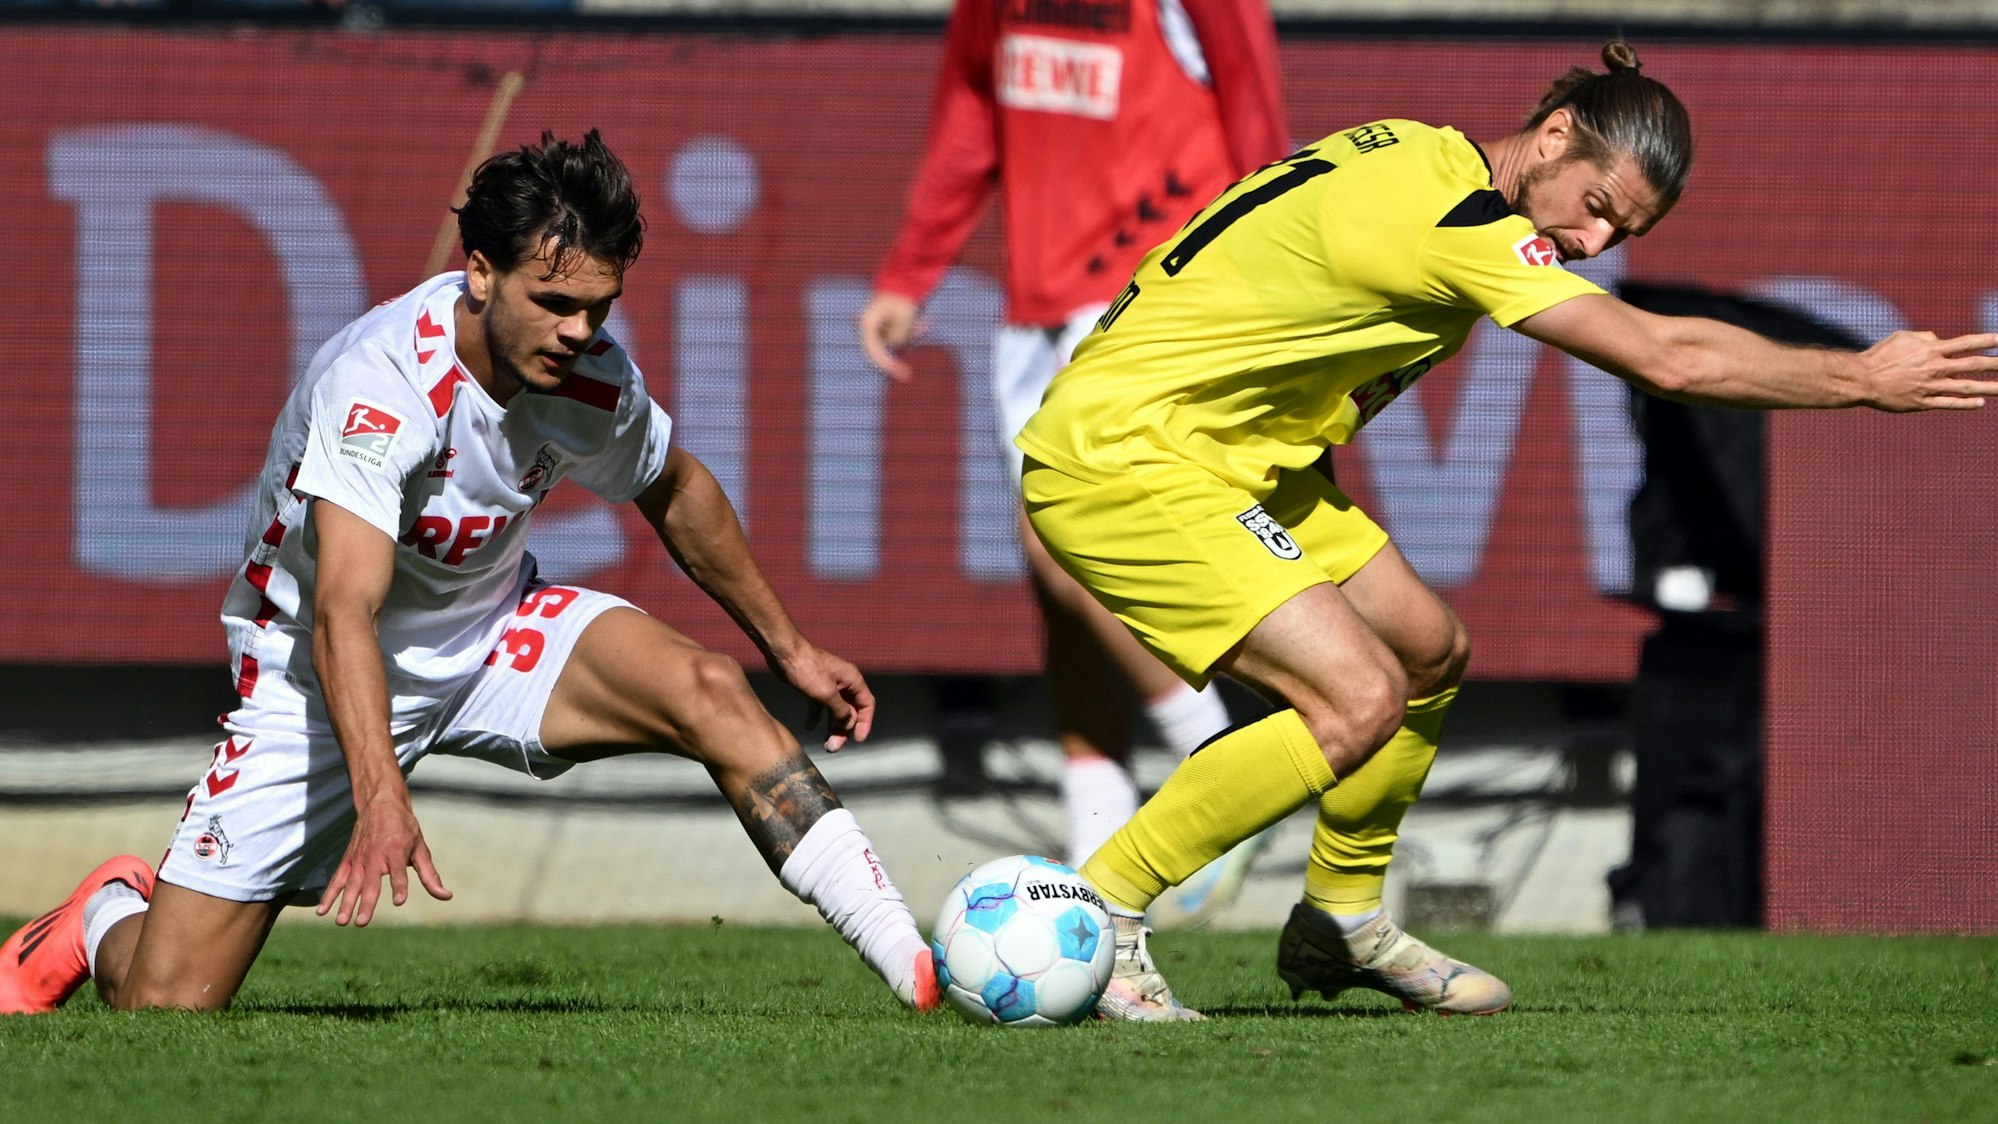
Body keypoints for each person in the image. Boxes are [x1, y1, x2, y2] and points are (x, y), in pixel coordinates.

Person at [1014, 40, 1998, 1020]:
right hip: (1132, 453)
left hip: (1230, 448)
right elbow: (1669, 360)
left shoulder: (1415, 146)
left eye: (1625, 232)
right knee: (1357, 700)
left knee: (1428, 649)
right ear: (1557, 134)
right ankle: (1102, 910)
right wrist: (1863, 378)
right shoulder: (1465, 223)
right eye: (1597, 205)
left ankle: (1341, 918)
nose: (1593, 243)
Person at [0, 131, 939, 1015]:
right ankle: (107, 911)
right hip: (318, 678)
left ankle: (913, 966)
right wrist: (380, 794)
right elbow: (342, 613)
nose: (579, 331)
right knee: (166, 1001)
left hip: (492, 629)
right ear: (479, 273)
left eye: (599, 307)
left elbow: (675, 486)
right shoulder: (382, 390)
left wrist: (792, 648)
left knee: (710, 690)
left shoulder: (589, 379)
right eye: (555, 301)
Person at [857, 0, 1290, 897]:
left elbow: (1257, 119)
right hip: (1037, 300)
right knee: (1060, 588)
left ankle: (1218, 758)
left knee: (1058, 536)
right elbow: (975, 105)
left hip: (1156, 285)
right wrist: (910, 269)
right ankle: (1097, 845)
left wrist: (1264, 289)